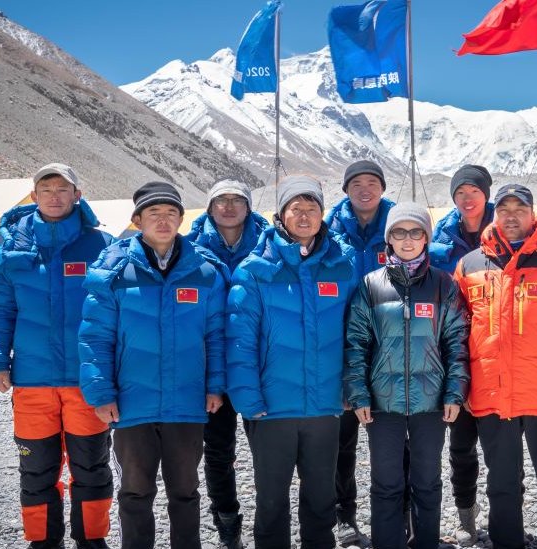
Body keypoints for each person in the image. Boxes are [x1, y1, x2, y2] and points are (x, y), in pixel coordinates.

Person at [79, 182, 227, 549]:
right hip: (132, 403)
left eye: (171, 214)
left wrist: (215, 385)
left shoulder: (204, 273)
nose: (163, 221)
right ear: (137, 220)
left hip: (187, 403)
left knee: (185, 491)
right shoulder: (112, 272)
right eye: (154, 214)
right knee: (135, 492)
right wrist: (101, 393)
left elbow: (216, 336)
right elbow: (96, 338)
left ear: (181, 219)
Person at [0, 164, 114, 549]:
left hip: (84, 380)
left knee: (90, 466)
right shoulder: (11, 250)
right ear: (34, 195)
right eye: (46, 188)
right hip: (32, 381)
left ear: (77, 194)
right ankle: (42, 540)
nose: (54, 195)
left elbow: (113, 311)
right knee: (36, 468)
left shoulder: (100, 245)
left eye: (62, 188)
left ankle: (91, 538)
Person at [455, 183, 537, 549]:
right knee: (500, 481)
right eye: (504, 209)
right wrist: (462, 384)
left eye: (520, 209)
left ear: (533, 215)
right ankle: (506, 542)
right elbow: (457, 331)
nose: (511, 216)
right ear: (494, 215)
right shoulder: (470, 265)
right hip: (491, 392)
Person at [226, 176, 358, 549]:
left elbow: (356, 334)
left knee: (320, 498)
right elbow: (239, 341)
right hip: (272, 409)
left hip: (325, 405)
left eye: (312, 208)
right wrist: (249, 401)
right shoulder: (254, 271)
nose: (304, 216)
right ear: (280, 216)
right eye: (295, 209)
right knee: (271, 500)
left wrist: (351, 387)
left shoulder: (341, 267)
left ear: (322, 215)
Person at [345, 202, 470, 549]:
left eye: (416, 232)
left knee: (427, 482)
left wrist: (454, 393)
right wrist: (359, 395)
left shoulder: (443, 285)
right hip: (383, 406)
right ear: (389, 239)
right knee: (386, 484)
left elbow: (457, 342)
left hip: (431, 403)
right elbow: (356, 344)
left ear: (426, 238)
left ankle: (424, 542)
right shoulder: (371, 285)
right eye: (399, 232)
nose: (408, 239)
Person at [185, 178, 269, 549]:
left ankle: (271, 519)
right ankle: (227, 521)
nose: (230, 207)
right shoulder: (189, 249)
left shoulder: (270, 246)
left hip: (259, 365)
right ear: (209, 207)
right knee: (218, 450)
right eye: (222, 200)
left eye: (238, 200)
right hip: (211, 365)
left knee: (267, 448)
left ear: (249, 207)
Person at [325, 160, 395, 547]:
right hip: (343, 349)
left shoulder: (399, 227)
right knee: (342, 439)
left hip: (391, 351)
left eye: (372, 182)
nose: (364, 188)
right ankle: (343, 514)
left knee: (394, 436)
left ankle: (400, 515)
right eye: (356, 183)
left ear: (382, 188)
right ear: (345, 189)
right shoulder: (329, 232)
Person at [427, 164, 493, 544]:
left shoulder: (506, 230)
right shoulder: (441, 242)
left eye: (474, 191)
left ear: (486, 194)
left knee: (502, 443)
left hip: (496, 350)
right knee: (461, 442)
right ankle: (467, 513)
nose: (468, 199)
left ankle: (506, 512)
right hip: (453, 351)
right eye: (460, 192)